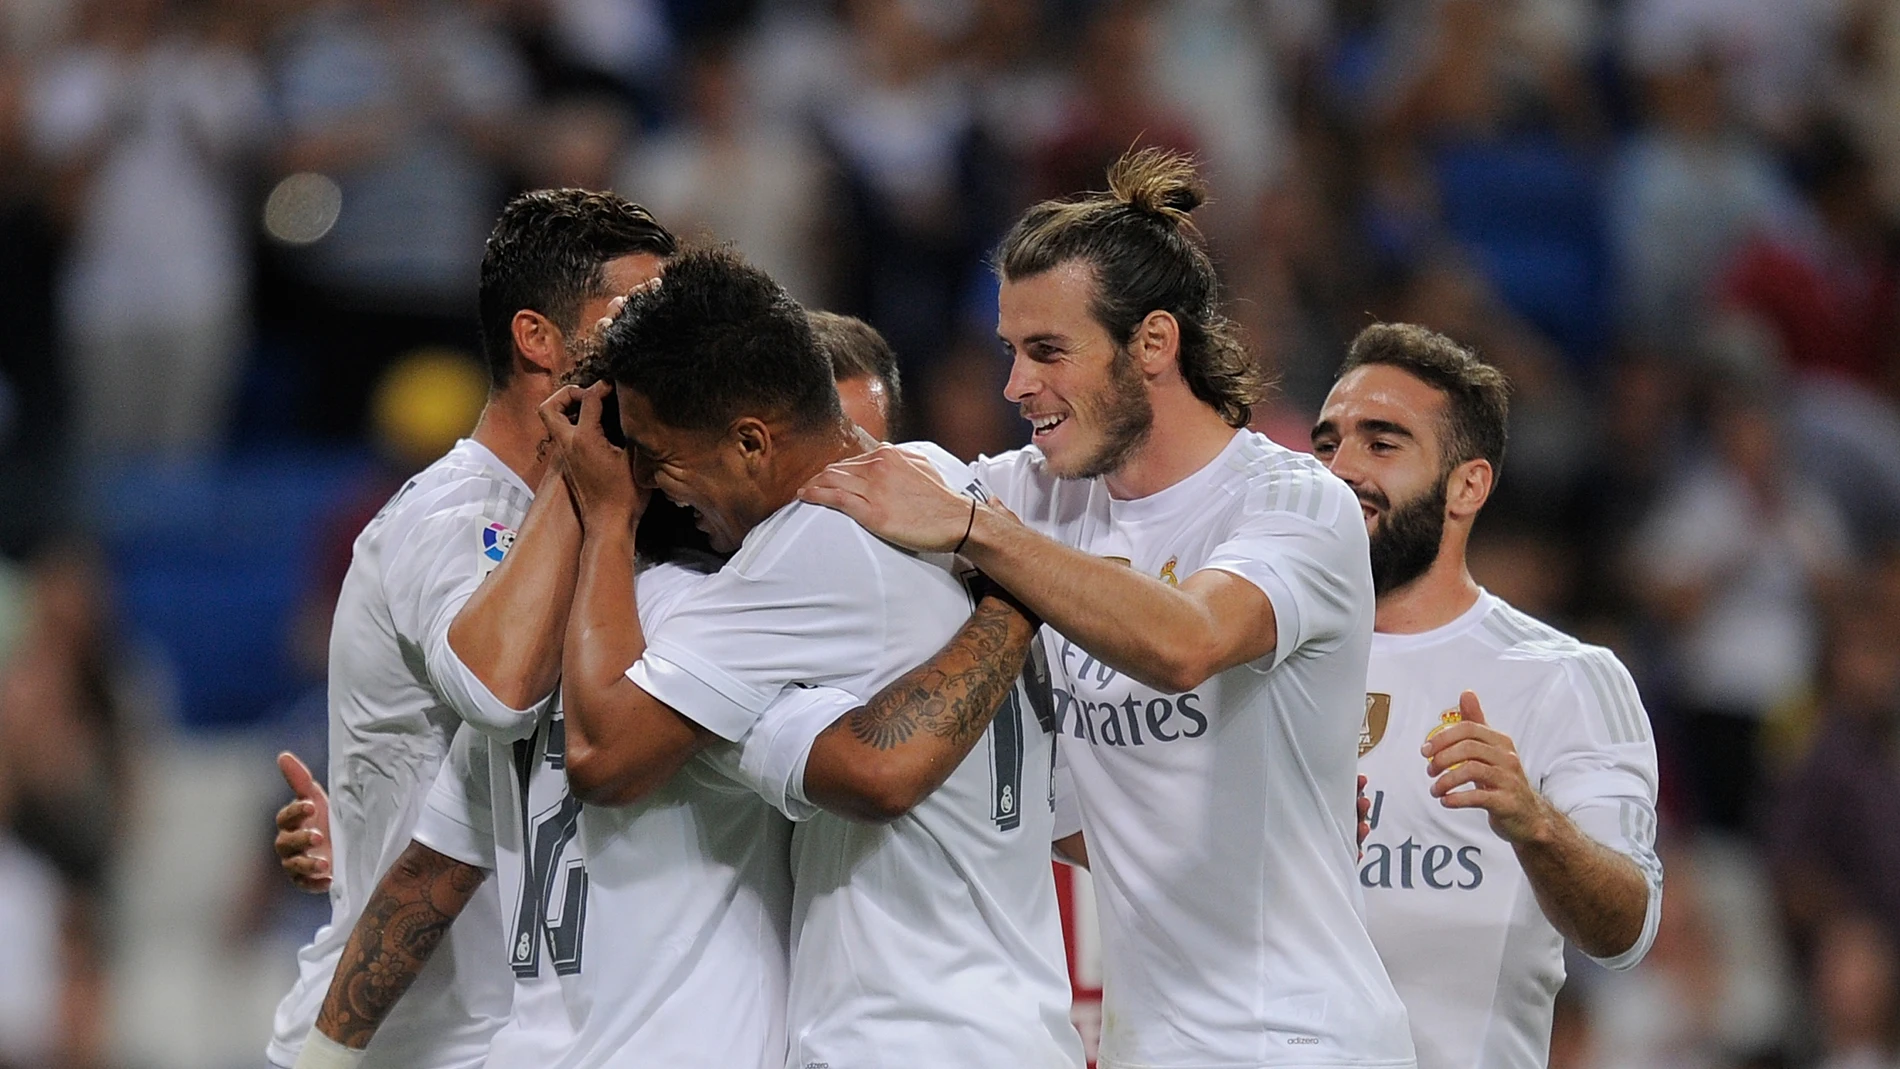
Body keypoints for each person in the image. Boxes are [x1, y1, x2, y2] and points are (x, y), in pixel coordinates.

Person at [800, 148, 1414, 1069]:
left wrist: (976, 531)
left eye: (1048, 351)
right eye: (1011, 351)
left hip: (1297, 1037)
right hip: (1145, 1042)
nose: (1015, 386)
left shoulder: (1294, 503)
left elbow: (1187, 641)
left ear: (1154, 344)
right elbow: (840, 483)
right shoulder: (1035, 494)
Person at [543, 248, 1080, 1067]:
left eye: (657, 453)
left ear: (752, 441)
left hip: (900, 1039)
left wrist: (608, 516)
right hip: (1014, 1020)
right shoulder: (934, 476)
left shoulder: (814, 546)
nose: (651, 478)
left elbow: (602, 752)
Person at [264, 188, 677, 1069]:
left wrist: (362, 828)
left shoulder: (624, 519)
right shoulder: (454, 516)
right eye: (636, 315)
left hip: (538, 1032)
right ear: (540, 339)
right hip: (411, 1043)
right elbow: (498, 688)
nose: (665, 345)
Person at [1309, 322, 1662, 1069]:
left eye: (1381, 442)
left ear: (1468, 485)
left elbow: (1625, 928)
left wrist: (1534, 821)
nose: (1340, 468)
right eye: (1328, 442)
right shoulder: (1262, 659)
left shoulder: (1560, 676)